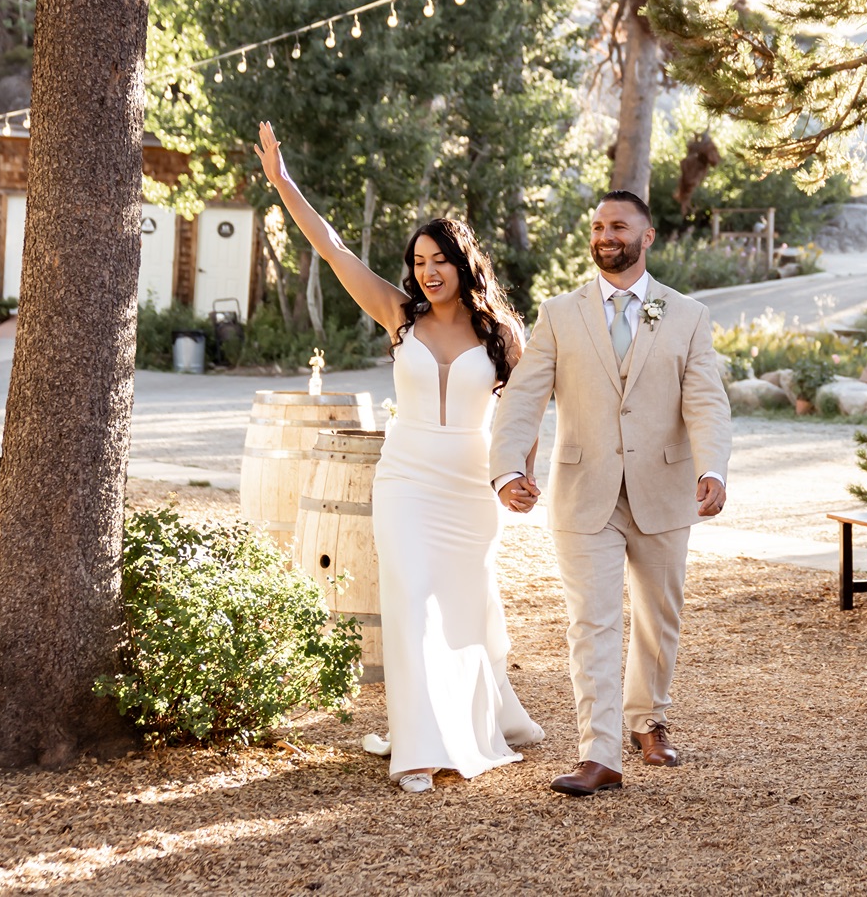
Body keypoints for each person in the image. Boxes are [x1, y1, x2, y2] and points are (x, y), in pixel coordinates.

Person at [254, 123, 544, 794]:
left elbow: (522, 415)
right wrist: (284, 183)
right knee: (409, 604)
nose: (426, 271)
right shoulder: (398, 316)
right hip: (407, 479)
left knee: (462, 611)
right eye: (417, 262)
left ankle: (471, 721)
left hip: (472, 488)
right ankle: (418, 749)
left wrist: (520, 476)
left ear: (462, 261)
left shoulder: (502, 333)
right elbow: (332, 248)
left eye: (437, 259)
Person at [489, 189, 732, 797]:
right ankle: (599, 754)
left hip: (665, 489)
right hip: (584, 491)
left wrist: (714, 469)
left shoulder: (687, 315)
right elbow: (522, 398)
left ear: (646, 238)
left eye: (618, 226)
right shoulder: (559, 314)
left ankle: (648, 720)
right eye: (598, 226)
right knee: (591, 623)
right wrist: (507, 469)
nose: (605, 236)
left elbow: (706, 401)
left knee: (658, 618)